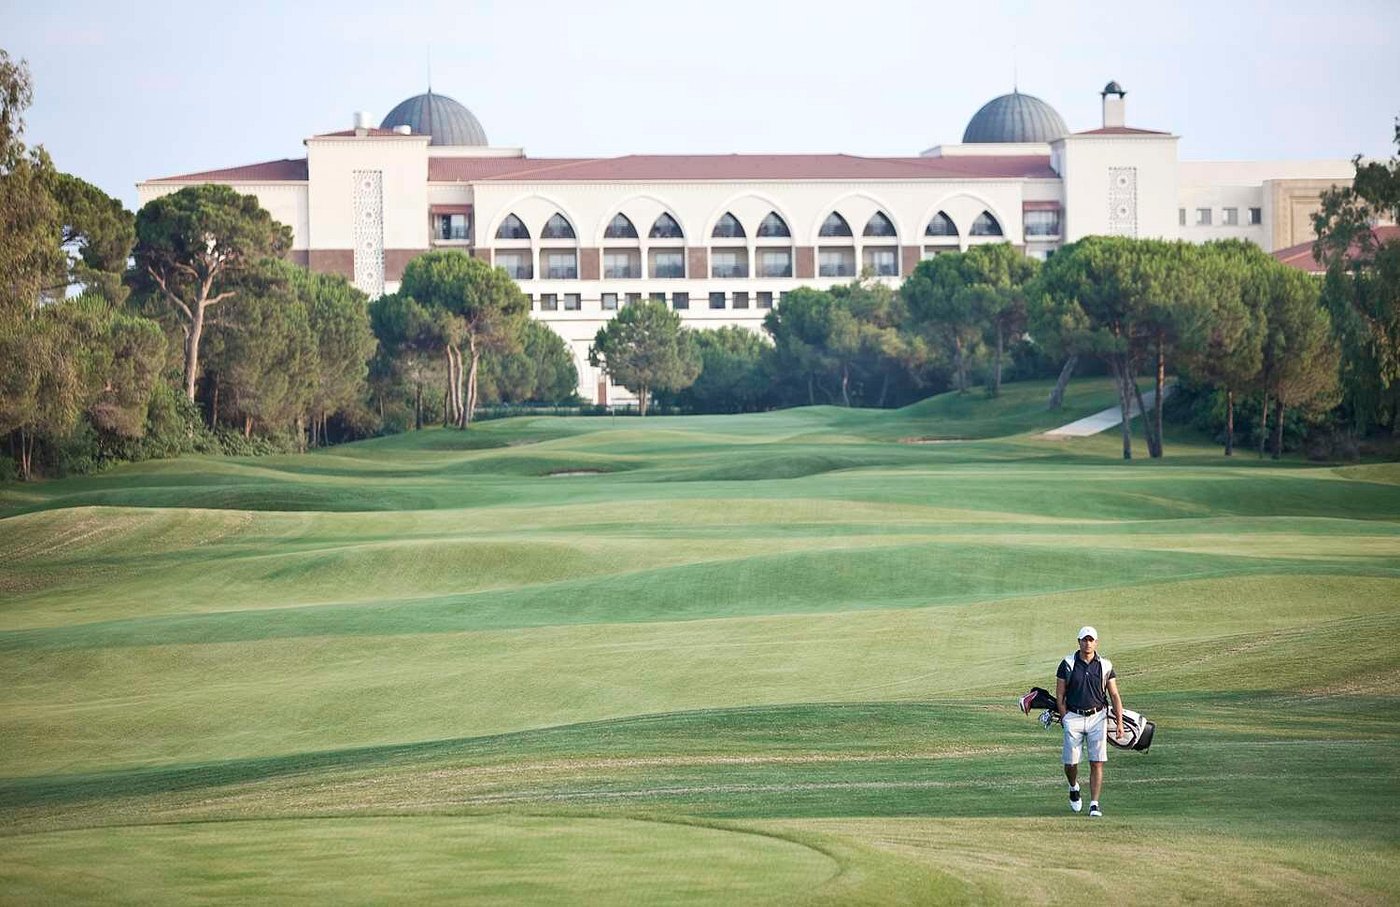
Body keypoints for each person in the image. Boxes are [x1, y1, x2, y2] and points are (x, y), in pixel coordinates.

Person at [1055, 625, 1123, 817]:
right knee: (1071, 763)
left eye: (1091, 640)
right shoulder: (1067, 663)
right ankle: (1073, 786)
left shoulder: (1105, 665)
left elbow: (1114, 694)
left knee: (1097, 761)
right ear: (1079, 642)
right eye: (1084, 639)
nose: (1088, 643)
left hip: (1098, 716)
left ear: (1096, 642)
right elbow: (1060, 695)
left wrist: (1118, 722)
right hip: (1073, 717)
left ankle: (1094, 804)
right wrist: (1064, 717)